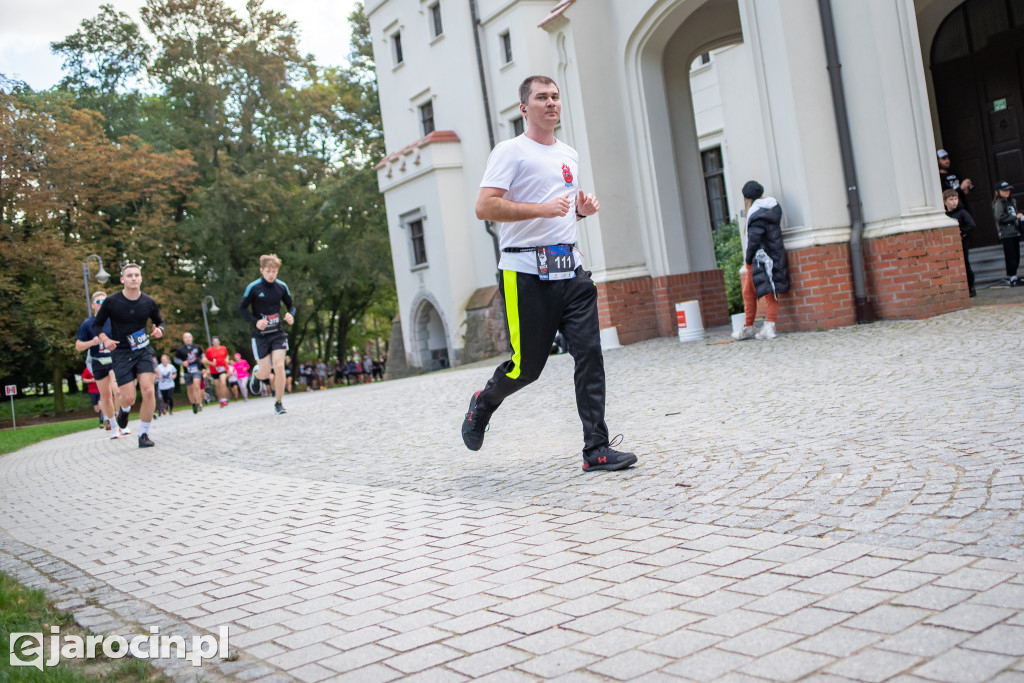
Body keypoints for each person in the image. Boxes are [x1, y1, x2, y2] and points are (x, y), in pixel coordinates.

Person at [461, 74, 637, 472]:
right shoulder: (510, 151)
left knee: (589, 354)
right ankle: (484, 402)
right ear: (525, 108)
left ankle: (597, 449)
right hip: (524, 271)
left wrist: (580, 211)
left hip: (570, 269)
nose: (551, 103)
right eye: (542, 97)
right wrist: (543, 209)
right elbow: (485, 207)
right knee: (528, 368)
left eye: (555, 96)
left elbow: (559, 210)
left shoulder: (569, 153)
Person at [92, 263, 165, 448]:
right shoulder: (112, 301)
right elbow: (97, 325)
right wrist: (104, 339)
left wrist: (160, 330)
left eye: (136, 275)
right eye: (129, 275)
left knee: (148, 390)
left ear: (141, 278)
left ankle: (143, 434)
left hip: (143, 349)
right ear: (122, 279)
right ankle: (124, 410)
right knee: (129, 398)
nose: (133, 278)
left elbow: (160, 321)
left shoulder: (148, 302)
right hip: (121, 352)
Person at [732, 181, 790, 341]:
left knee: (756, 293)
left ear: (747, 199)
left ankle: (759, 328)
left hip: (760, 259)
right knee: (762, 292)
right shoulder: (772, 208)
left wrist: (748, 258)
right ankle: (756, 327)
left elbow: (754, 240)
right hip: (774, 255)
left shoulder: (755, 213)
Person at [240, 254, 295, 415]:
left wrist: (291, 315)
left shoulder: (281, 287)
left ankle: (278, 402)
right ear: (261, 270)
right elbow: (242, 309)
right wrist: (255, 321)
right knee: (265, 372)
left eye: (274, 271)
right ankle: (257, 376)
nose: (271, 274)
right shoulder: (254, 287)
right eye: (268, 271)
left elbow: (291, 306)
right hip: (260, 336)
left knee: (279, 365)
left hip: (277, 333)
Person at [75, 290, 120, 436]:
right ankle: (112, 424)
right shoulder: (88, 324)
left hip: (114, 359)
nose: (103, 304)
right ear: (93, 305)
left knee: (117, 390)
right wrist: (92, 342)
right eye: (100, 302)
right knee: (105, 396)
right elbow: (78, 346)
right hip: (98, 361)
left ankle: (121, 420)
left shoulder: (114, 321)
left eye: (105, 301)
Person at [943, 189, 976, 297]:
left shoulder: (962, 213)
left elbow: (971, 225)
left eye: (956, 199)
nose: (954, 202)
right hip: (950, 244)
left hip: (963, 242)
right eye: (951, 199)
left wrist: (961, 232)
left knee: (965, 263)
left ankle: (971, 287)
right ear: (945, 202)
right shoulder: (945, 215)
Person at [993, 181, 1023, 286]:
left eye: (1008, 190)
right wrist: (1015, 217)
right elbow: (1000, 218)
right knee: (1010, 256)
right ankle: (1012, 277)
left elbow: (1014, 213)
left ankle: (1015, 276)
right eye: (1004, 190)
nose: (1007, 192)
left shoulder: (1012, 201)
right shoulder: (998, 204)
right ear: (997, 192)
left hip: (1015, 232)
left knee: (1016, 255)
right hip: (1006, 233)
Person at [174, 332, 205, 413]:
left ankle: (199, 403)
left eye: (189, 337)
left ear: (192, 338)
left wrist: (204, 359)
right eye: (186, 337)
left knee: (196, 385)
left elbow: (202, 355)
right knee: (190, 388)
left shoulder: (197, 347)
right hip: (187, 371)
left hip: (197, 369)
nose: (187, 338)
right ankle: (194, 404)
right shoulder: (180, 349)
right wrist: (182, 363)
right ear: (183, 339)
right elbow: (175, 359)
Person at [204, 336, 231, 407]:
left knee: (223, 382)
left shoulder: (223, 348)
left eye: (217, 341)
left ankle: (225, 399)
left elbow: (226, 355)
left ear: (219, 342)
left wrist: (227, 359)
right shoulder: (209, 350)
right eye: (214, 342)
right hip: (214, 370)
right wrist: (211, 363)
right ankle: (221, 400)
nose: (216, 343)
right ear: (212, 343)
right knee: (217, 385)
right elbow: (205, 360)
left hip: (223, 368)